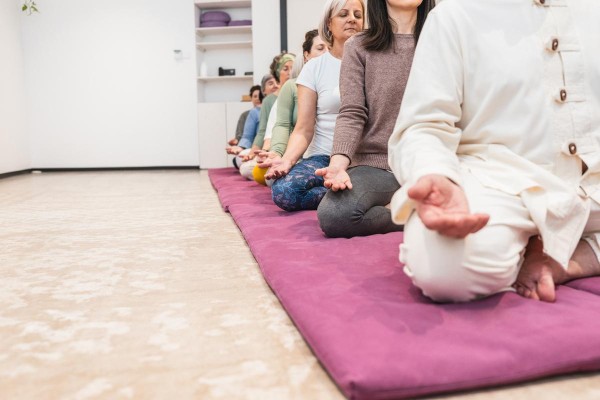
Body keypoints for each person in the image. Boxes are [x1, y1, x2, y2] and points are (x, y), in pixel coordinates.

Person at [388, 0, 600, 303]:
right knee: (443, 266)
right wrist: (436, 174)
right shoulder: (453, 16)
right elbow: (423, 125)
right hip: (504, 184)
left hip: (595, 189)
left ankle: (574, 256)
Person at [315, 0, 435, 238]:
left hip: (432, 161)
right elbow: (352, 112)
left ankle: (409, 205)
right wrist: (338, 163)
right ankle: (413, 213)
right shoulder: (358, 46)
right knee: (335, 215)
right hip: (378, 165)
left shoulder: (442, 42)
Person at [267, 0, 365, 211]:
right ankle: (347, 196)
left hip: (362, 159)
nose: (352, 19)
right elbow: (303, 129)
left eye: (358, 15)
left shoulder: (375, 62)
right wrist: (287, 160)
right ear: (329, 23)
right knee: (284, 191)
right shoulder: (314, 67)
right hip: (322, 157)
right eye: (344, 14)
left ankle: (350, 194)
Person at [256, 29, 329, 186]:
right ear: (306, 55)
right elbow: (282, 125)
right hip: (301, 156)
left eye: (330, 47)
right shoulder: (292, 86)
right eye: (320, 48)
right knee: (272, 180)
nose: (326, 52)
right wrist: (276, 152)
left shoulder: (343, 82)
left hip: (337, 156)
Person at [238, 52, 294, 181]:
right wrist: (260, 152)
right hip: (274, 147)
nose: (290, 72)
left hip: (294, 150)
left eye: (293, 68)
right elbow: (264, 132)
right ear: (277, 73)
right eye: (285, 69)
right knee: (249, 168)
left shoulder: (303, 92)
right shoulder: (270, 101)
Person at [226, 74, 278, 166]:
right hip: (259, 148)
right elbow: (249, 136)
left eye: (278, 82)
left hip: (278, 149)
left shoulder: (286, 106)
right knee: (243, 159)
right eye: (270, 83)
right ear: (263, 91)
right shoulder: (254, 112)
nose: (275, 86)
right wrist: (241, 147)